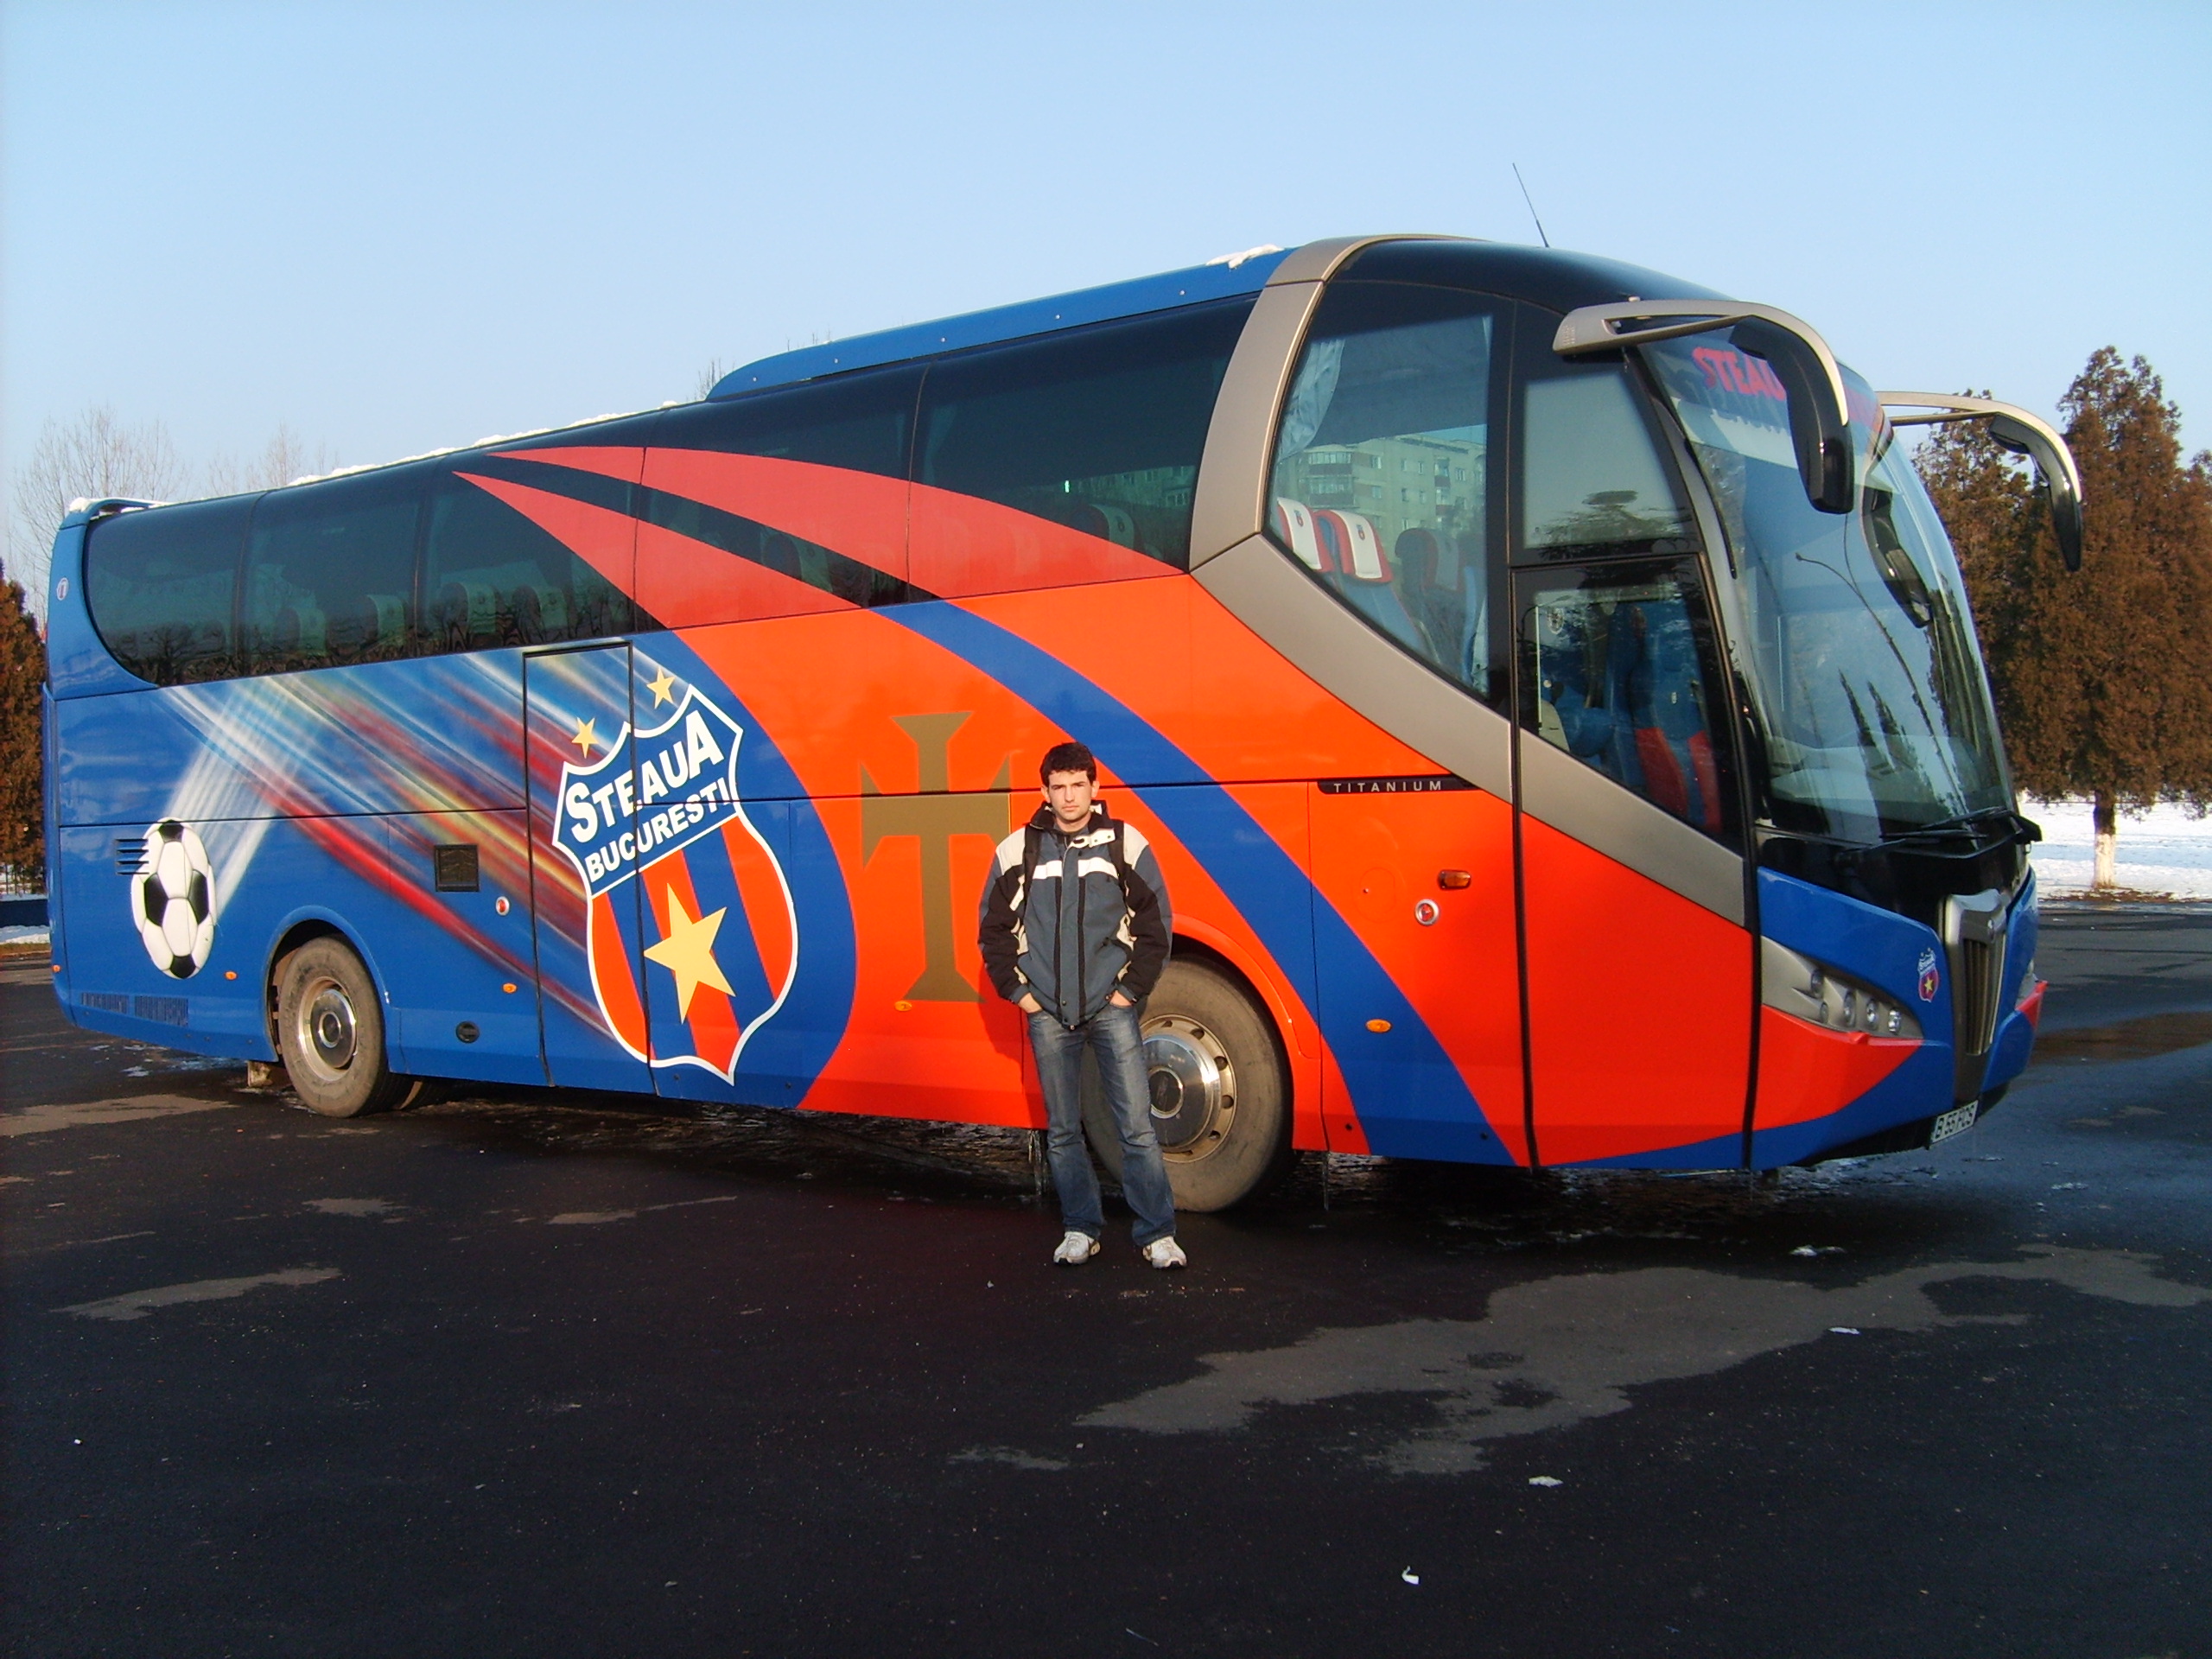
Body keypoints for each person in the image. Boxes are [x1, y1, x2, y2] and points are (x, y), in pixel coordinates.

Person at [978, 741, 1185, 1268]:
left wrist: (1127, 992)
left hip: (1110, 1007)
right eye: (1059, 787)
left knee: (1135, 1126)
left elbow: (1156, 926)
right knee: (1064, 1129)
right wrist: (1023, 996)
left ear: (1095, 789)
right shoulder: (1016, 850)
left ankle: (1157, 1233)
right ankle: (1080, 1228)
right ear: (1045, 792)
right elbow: (993, 932)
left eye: (1078, 785)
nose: (1069, 797)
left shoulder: (1125, 844)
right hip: (1048, 1012)